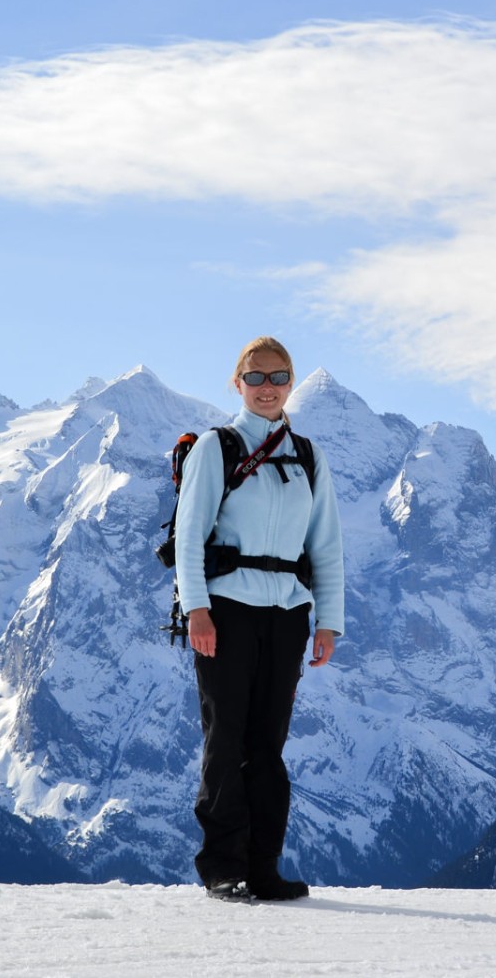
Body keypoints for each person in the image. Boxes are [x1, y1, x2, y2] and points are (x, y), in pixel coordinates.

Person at [172, 336, 344, 901]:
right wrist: (197, 608)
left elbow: (327, 547)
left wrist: (328, 622)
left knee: (268, 745)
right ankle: (224, 867)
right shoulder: (216, 448)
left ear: (291, 383)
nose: (267, 388)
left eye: (278, 377)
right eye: (256, 377)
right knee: (226, 738)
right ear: (237, 383)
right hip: (226, 610)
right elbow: (189, 537)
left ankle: (264, 868)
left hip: (288, 614)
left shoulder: (309, 456)